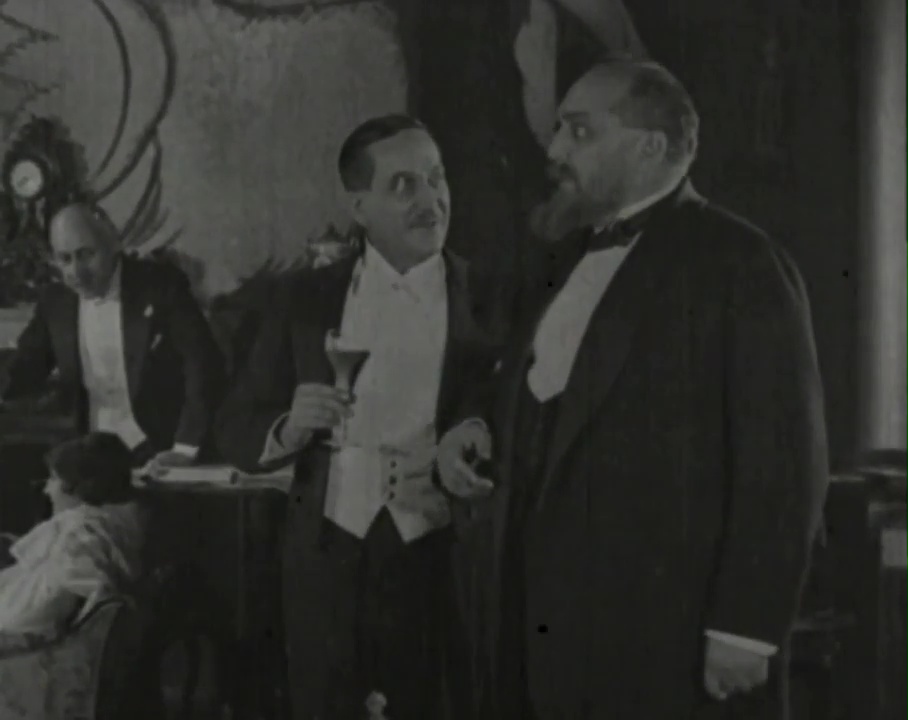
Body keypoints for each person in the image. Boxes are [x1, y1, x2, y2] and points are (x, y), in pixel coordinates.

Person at [437, 59, 830, 719]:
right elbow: (522, 387)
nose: (555, 150)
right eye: (559, 130)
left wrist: (745, 629)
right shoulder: (560, 259)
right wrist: (471, 426)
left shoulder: (739, 261)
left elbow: (786, 460)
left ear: (650, 147)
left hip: (663, 643)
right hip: (537, 638)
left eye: (579, 132)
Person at [216, 114, 499, 720]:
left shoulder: (491, 295)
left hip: (441, 554)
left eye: (436, 177)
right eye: (403, 185)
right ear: (360, 206)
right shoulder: (302, 298)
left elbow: (504, 407)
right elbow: (235, 424)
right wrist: (288, 427)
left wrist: (475, 429)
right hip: (327, 553)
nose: (430, 200)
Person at [0, 200, 225, 472]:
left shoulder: (161, 286)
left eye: (86, 255)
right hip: (91, 456)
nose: (76, 272)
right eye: (65, 259)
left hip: (161, 451)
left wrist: (185, 449)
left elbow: (203, 365)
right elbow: (24, 367)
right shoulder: (55, 302)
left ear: (113, 244)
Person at [0, 432, 146, 652]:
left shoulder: (79, 535)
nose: (47, 489)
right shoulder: (108, 525)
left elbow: (29, 617)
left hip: (26, 645)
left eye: (53, 479)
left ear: (78, 487)